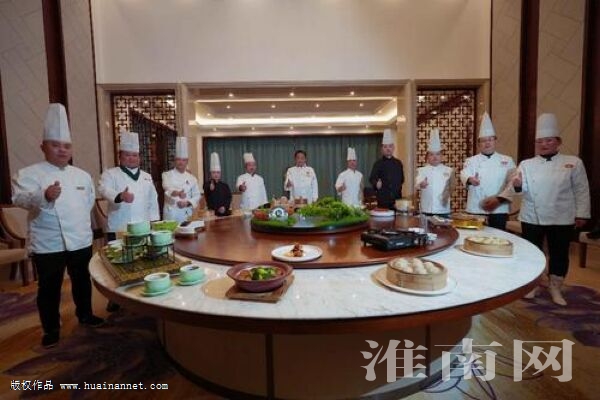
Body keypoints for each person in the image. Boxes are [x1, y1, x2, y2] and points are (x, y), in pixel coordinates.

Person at [11, 103, 104, 348]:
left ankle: (85, 314)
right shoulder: (28, 174)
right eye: (55, 145)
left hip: (80, 238)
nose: (62, 150)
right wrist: (44, 195)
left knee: (82, 280)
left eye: (66, 146)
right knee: (49, 287)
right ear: (43, 146)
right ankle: (51, 328)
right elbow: (19, 199)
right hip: (48, 242)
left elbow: (87, 203)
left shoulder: (82, 176)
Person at [512, 113, 590, 306]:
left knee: (559, 253)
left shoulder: (573, 162)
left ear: (558, 142)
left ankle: (555, 287)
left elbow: (581, 189)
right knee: (532, 253)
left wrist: (582, 213)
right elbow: (521, 190)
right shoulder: (526, 164)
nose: (544, 145)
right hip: (532, 216)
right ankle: (533, 285)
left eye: (548, 140)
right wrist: (518, 185)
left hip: (562, 216)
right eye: (539, 141)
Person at [98, 129, 160, 239]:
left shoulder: (146, 176)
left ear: (139, 157)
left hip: (143, 227)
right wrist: (120, 196)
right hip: (119, 227)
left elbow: (152, 200)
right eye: (127, 155)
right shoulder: (110, 174)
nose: (131, 158)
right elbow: (104, 190)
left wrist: (154, 221)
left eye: (134, 155)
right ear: (120, 156)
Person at [460, 112, 516, 230]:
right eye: (483, 140)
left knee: (498, 237)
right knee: (475, 237)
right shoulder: (471, 161)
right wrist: (470, 179)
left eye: (490, 139)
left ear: (495, 141)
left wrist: (500, 199)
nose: (487, 143)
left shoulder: (507, 160)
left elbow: (512, 183)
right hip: (476, 208)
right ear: (479, 144)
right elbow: (464, 173)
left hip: (499, 209)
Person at [162, 137, 202, 223]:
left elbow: (197, 195)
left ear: (187, 161)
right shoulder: (166, 175)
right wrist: (177, 193)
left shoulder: (192, 178)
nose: (181, 162)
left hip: (186, 213)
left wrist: (187, 203)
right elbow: (167, 188)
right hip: (171, 213)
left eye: (183, 160)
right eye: (178, 159)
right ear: (175, 161)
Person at [415, 128, 454, 217]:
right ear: (427, 157)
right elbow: (417, 182)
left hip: (444, 210)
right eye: (431, 154)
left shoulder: (449, 170)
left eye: (437, 154)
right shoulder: (422, 170)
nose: (435, 157)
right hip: (427, 210)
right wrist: (421, 184)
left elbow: (452, 187)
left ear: (441, 156)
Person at [369, 128, 404, 209]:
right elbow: (372, 178)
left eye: (390, 146)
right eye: (385, 147)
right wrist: (376, 184)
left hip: (397, 200)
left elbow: (402, 180)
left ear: (393, 148)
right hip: (383, 200)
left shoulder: (398, 163)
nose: (388, 149)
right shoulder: (378, 163)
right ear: (382, 149)